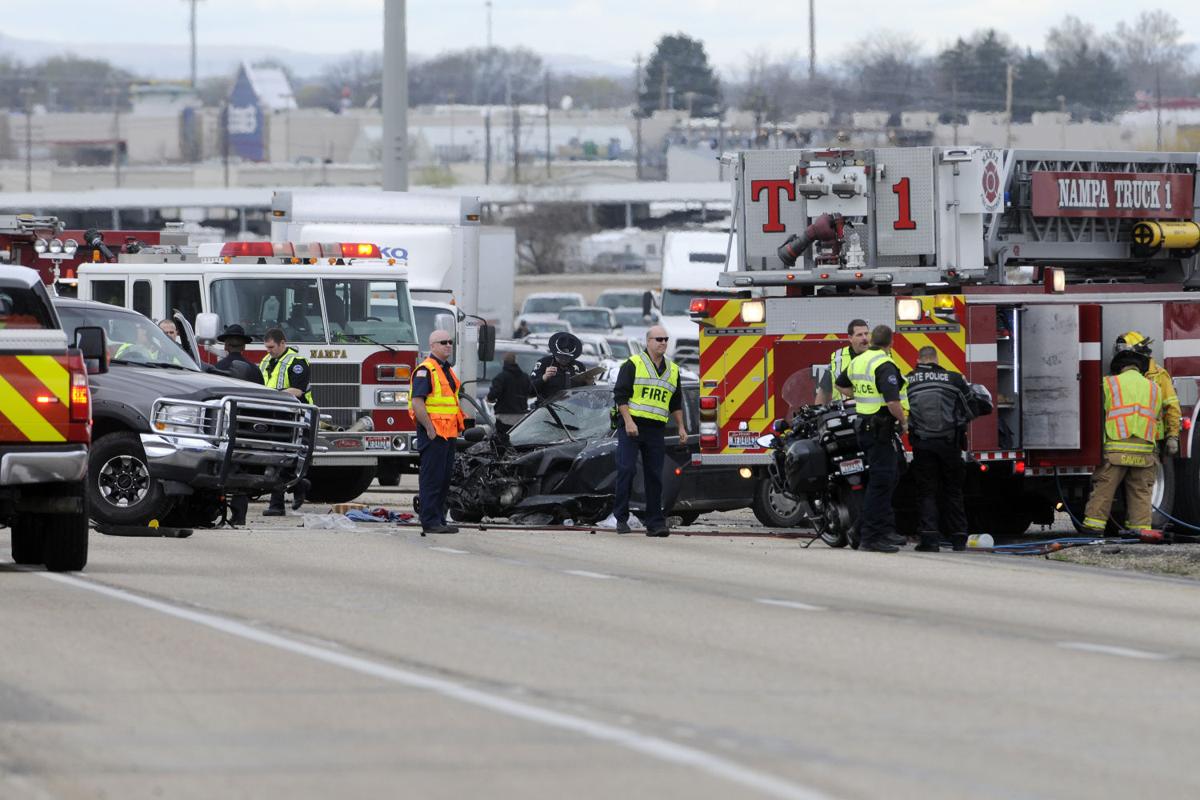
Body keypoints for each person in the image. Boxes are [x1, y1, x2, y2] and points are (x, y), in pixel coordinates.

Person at [835, 325, 908, 552]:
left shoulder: (859, 361)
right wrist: (904, 421)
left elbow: (840, 384)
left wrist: (859, 394)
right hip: (879, 429)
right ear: (891, 343)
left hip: (866, 428)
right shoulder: (883, 364)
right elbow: (893, 402)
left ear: (871, 340)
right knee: (881, 482)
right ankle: (868, 536)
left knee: (888, 478)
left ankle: (882, 530)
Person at [612, 325, 687, 537]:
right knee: (626, 469)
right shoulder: (633, 364)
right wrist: (628, 421)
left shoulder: (673, 369)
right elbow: (620, 396)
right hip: (632, 426)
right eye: (658, 339)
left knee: (655, 476)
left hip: (655, 429)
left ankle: (655, 523)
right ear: (648, 342)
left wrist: (681, 427)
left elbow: (675, 402)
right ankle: (621, 517)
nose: (663, 342)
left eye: (665, 339)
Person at [1081, 348, 1163, 534]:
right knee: (1141, 492)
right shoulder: (1154, 388)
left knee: (1104, 490)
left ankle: (1093, 529)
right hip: (1144, 452)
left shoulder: (1109, 384)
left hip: (1116, 449)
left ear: (1118, 368)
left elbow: (1098, 416)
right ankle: (1140, 530)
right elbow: (1157, 420)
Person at [905, 346, 973, 552]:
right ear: (936, 359)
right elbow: (970, 407)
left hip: (922, 444)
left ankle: (929, 539)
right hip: (950, 443)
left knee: (926, 491)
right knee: (953, 490)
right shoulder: (954, 379)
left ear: (919, 359)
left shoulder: (908, 380)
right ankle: (959, 538)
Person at [410, 329, 465, 534]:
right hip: (434, 434)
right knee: (432, 479)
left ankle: (439, 519)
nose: (448, 345)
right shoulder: (426, 369)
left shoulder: (446, 369)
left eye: (450, 342)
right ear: (432, 346)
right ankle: (430, 521)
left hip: (448, 434)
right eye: (443, 342)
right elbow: (417, 402)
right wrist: (430, 428)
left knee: (443, 479)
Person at [260, 328, 313, 517]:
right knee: (274, 457)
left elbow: (298, 390)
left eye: (272, 347)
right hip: (272, 414)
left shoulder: (297, 362)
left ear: (283, 343)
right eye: (267, 347)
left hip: (295, 416)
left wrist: (273, 395)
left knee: (282, 458)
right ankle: (297, 487)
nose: (269, 351)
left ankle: (279, 503)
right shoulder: (266, 361)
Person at [212, 324, 261, 526]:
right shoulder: (254, 370)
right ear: (244, 348)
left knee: (218, 470)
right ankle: (239, 516)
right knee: (242, 472)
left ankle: (216, 511)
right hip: (247, 430)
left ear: (225, 347)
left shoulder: (216, 370)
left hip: (222, 429)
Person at [1115, 331, 1180, 458]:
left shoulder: (1159, 375)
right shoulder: (1119, 374)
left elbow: (1171, 405)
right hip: (1124, 439)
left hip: (1152, 440)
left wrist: (1172, 436)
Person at [817, 319, 870, 405]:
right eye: (859, 335)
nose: (864, 338)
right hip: (843, 413)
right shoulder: (838, 357)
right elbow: (823, 391)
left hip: (872, 412)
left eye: (866, 334)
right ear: (850, 338)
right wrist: (817, 413)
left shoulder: (879, 355)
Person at [487, 352, 533, 436]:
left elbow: (493, 394)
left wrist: (490, 398)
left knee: (502, 439)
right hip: (521, 415)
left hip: (504, 415)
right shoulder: (525, 377)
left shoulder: (501, 377)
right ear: (516, 362)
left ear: (504, 362)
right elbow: (531, 392)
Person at [530, 331, 586, 400]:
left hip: (573, 408)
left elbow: (588, 395)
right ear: (555, 353)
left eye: (567, 358)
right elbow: (530, 391)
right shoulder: (544, 363)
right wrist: (544, 378)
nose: (564, 360)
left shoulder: (579, 366)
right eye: (561, 357)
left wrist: (590, 382)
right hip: (547, 408)